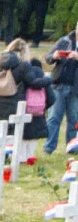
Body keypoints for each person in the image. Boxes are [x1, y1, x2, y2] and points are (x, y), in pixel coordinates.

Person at [46, 19, 78, 153]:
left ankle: (72, 147)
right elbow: (48, 58)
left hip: (75, 88)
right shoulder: (64, 40)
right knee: (54, 117)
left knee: (74, 119)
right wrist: (54, 56)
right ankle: (49, 147)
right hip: (58, 85)